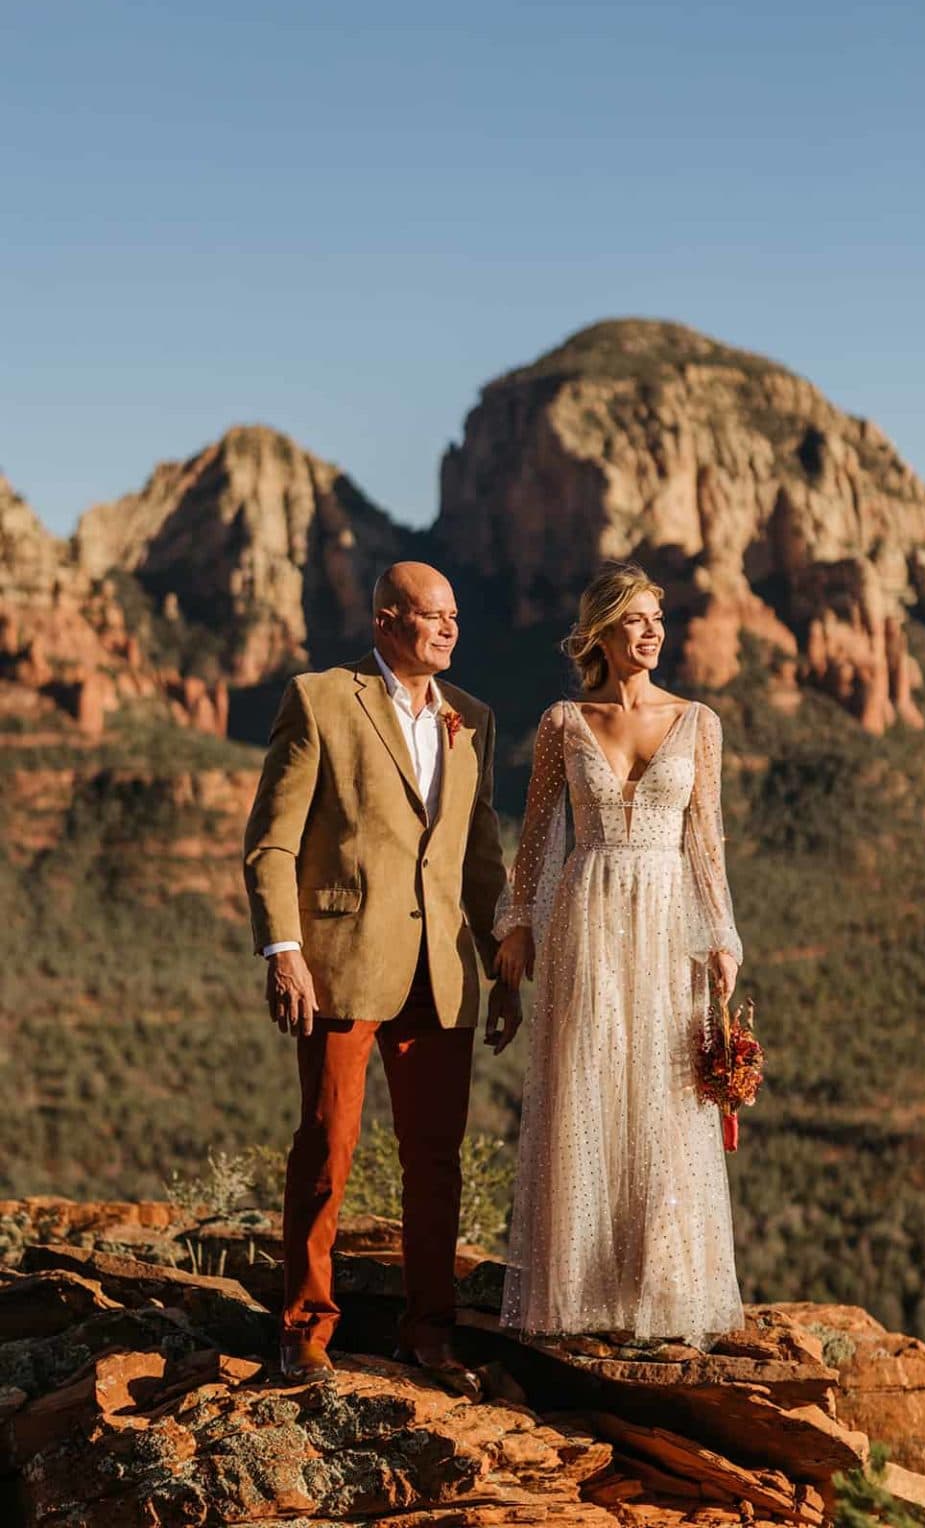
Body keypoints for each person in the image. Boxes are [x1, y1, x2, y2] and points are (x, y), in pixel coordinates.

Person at [243, 561, 520, 1394]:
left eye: (457, 617)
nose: (449, 629)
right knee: (327, 1148)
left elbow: (478, 859)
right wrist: (282, 950)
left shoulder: (472, 718)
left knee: (436, 1161)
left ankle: (428, 1337)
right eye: (433, 616)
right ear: (386, 620)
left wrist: (504, 963)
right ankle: (305, 1333)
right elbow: (273, 843)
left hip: (444, 975)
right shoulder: (322, 698)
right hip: (341, 966)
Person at [494, 560, 745, 1347]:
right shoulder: (563, 723)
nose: (652, 634)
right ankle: (583, 1290)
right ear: (600, 631)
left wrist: (723, 936)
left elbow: (707, 841)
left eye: (658, 621)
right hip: (587, 916)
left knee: (665, 1095)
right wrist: (518, 924)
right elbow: (534, 837)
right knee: (587, 1086)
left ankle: (661, 1286)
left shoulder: (698, 722)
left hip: (670, 917)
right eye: (635, 620)